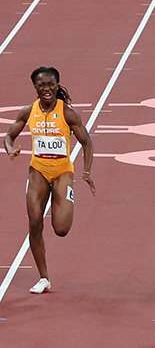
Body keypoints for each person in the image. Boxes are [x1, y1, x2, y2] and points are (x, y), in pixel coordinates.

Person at [4, 66, 95, 294]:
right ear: (35, 87)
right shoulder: (28, 112)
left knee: (61, 229)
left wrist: (86, 172)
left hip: (62, 171)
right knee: (34, 224)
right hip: (38, 171)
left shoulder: (68, 114)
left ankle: (61, 200)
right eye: (41, 85)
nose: (47, 89)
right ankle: (44, 278)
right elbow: (9, 136)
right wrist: (10, 149)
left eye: (51, 84)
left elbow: (87, 142)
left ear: (57, 85)